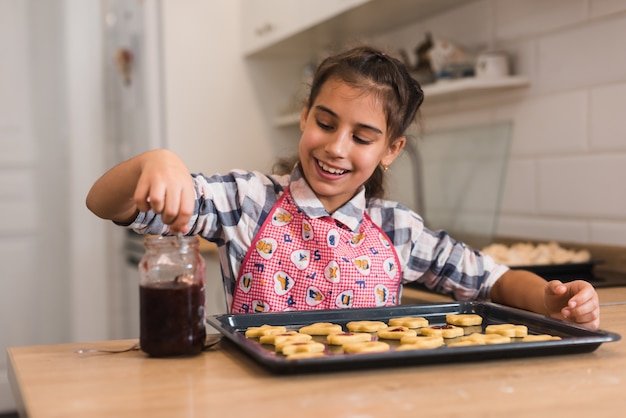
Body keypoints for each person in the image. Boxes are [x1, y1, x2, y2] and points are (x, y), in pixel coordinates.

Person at [86, 46, 600, 329]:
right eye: (326, 123)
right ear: (305, 117)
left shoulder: (397, 230)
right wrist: (155, 162)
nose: (336, 147)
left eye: (362, 136)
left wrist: (553, 300)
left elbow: (494, 281)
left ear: (391, 149)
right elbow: (105, 203)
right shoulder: (246, 201)